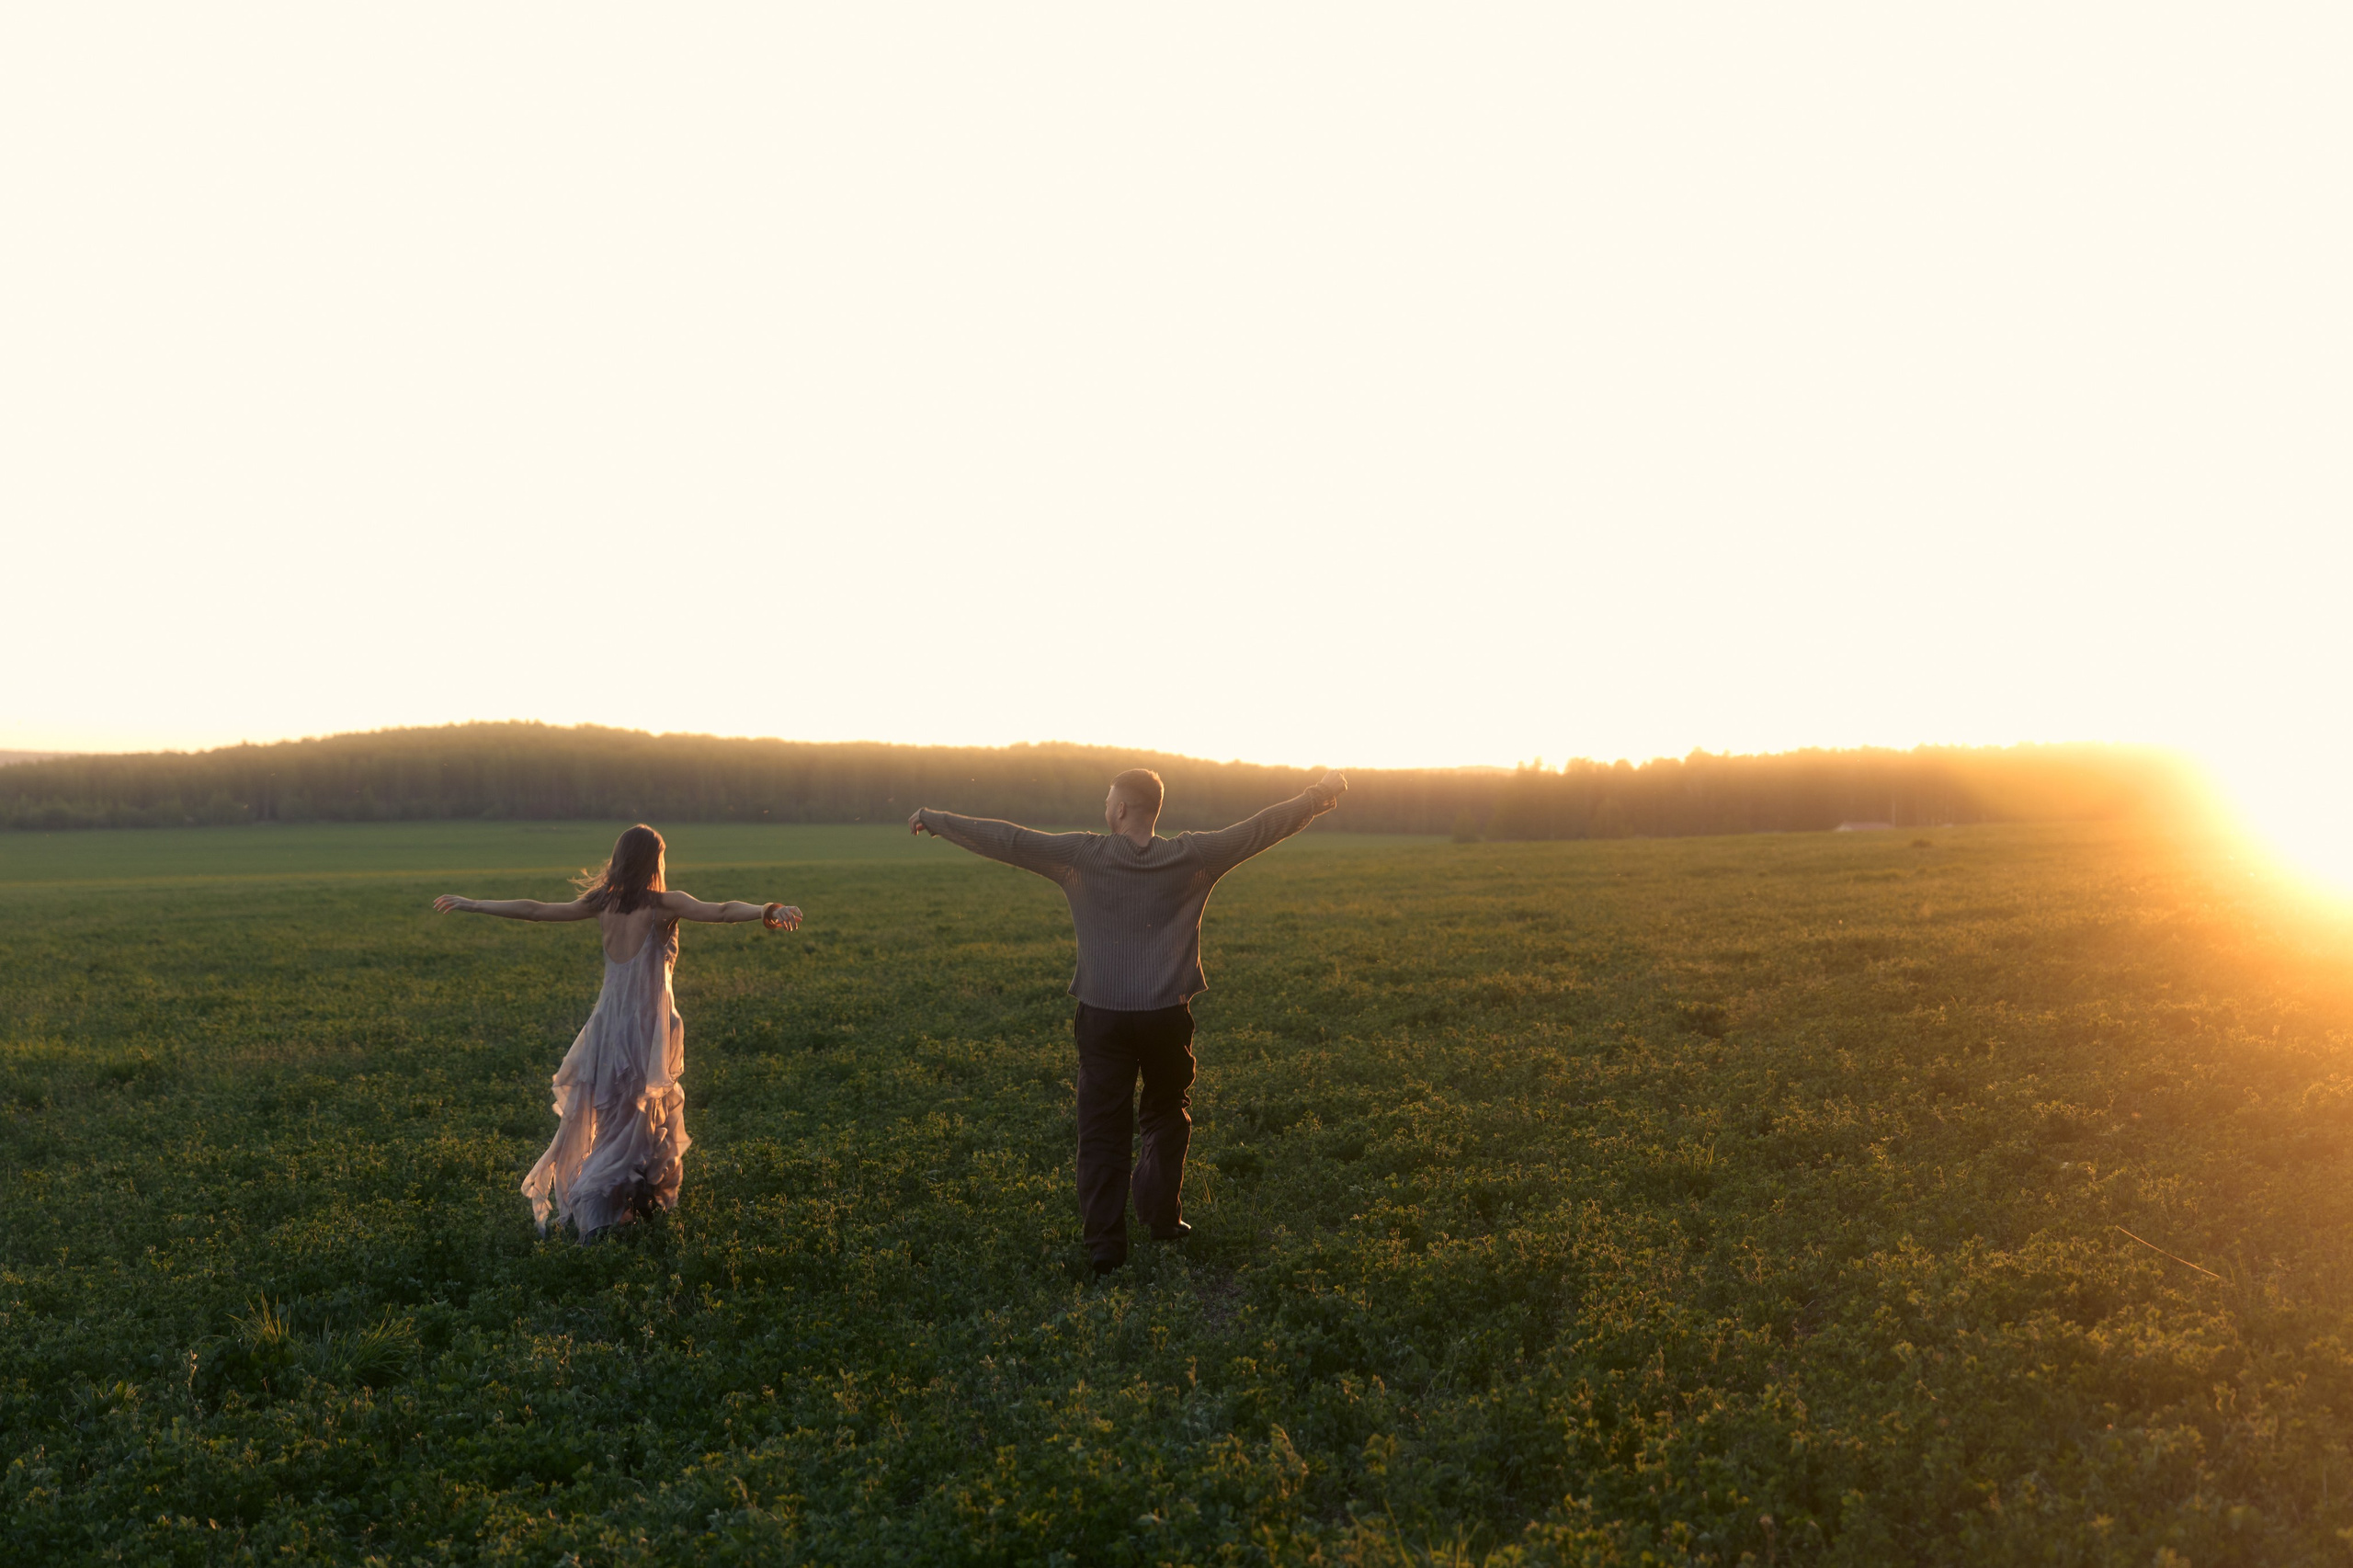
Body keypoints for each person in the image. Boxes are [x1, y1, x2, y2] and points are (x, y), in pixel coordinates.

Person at [910, 767, 1347, 1274]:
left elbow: (1008, 840)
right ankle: (1161, 1219)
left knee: (1101, 1128)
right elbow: (1262, 826)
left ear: (1120, 809)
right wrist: (1318, 795)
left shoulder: (1083, 855)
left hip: (1104, 1016)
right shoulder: (1194, 855)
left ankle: (1105, 1246)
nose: (1105, 806)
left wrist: (935, 819)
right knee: (1166, 1114)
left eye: (1107, 799)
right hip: (1167, 1016)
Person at [432, 824, 801, 1241]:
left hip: (608, 1028)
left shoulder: (603, 903)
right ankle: (600, 1206)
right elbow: (720, 911)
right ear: (654, 861)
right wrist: (768, 909)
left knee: (617, 1120)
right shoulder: (664, 905)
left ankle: (626, 1206)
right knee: (636, 1121)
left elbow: (536, 909)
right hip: (645, 1030)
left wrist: (474, 904)